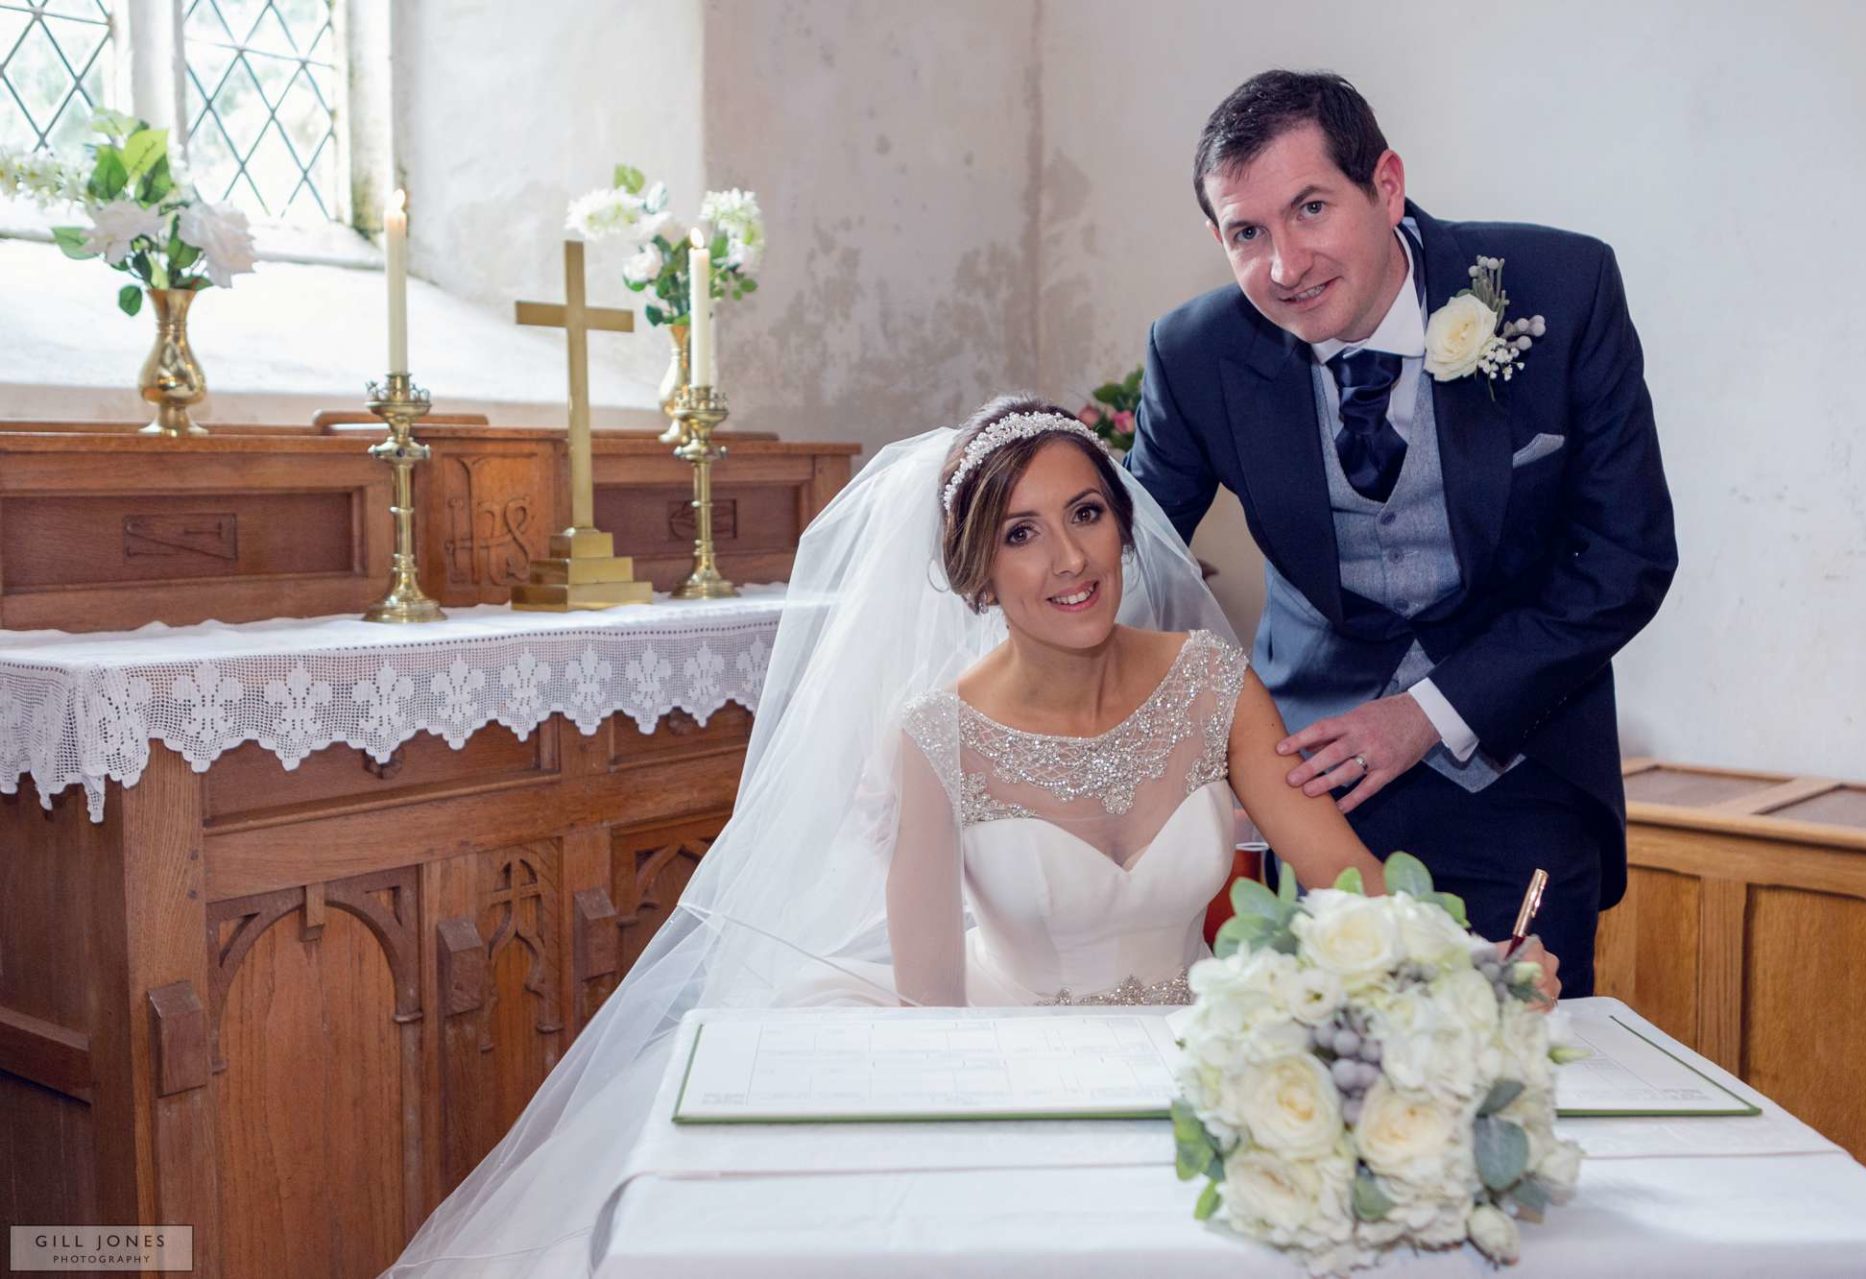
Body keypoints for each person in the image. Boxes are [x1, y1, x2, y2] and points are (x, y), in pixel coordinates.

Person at [384, 398, 1557, 1277]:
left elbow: (1339, 870)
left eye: (1087, 515)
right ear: (975, 571)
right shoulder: (937, 738)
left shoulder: (1208, 681)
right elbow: (927, 1025)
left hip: (1209, 1070)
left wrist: (1470, 973)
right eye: (1022, 535)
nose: (1070, 561)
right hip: (1013, 1079)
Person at [1126, 71, 1678, 998]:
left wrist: (1425, 716)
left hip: (1521, 775)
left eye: (1310, 209)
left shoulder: (1561, 289)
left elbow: (1626, 561)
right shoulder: (1196, 354)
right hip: (1318, 797)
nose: (1285, 265)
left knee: (1505, 1082)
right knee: (1321, 1084)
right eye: (1246, 233)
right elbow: (1130, 562)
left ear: (1385, 185)